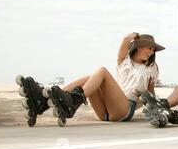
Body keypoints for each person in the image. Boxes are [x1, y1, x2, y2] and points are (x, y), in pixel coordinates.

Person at [16, 33, 164, 126]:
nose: (152, 53)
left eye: (153, 50)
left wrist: (158, 108)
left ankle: (72, 102)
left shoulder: (151, 68)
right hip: (105, 111)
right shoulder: (124, 62)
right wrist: (136, 35)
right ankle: (42, 103)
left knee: (102, 71)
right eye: (150, 48)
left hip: (125, 110)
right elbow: (126, 39)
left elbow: (151, 93)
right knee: (90, 78)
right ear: (139, 47)